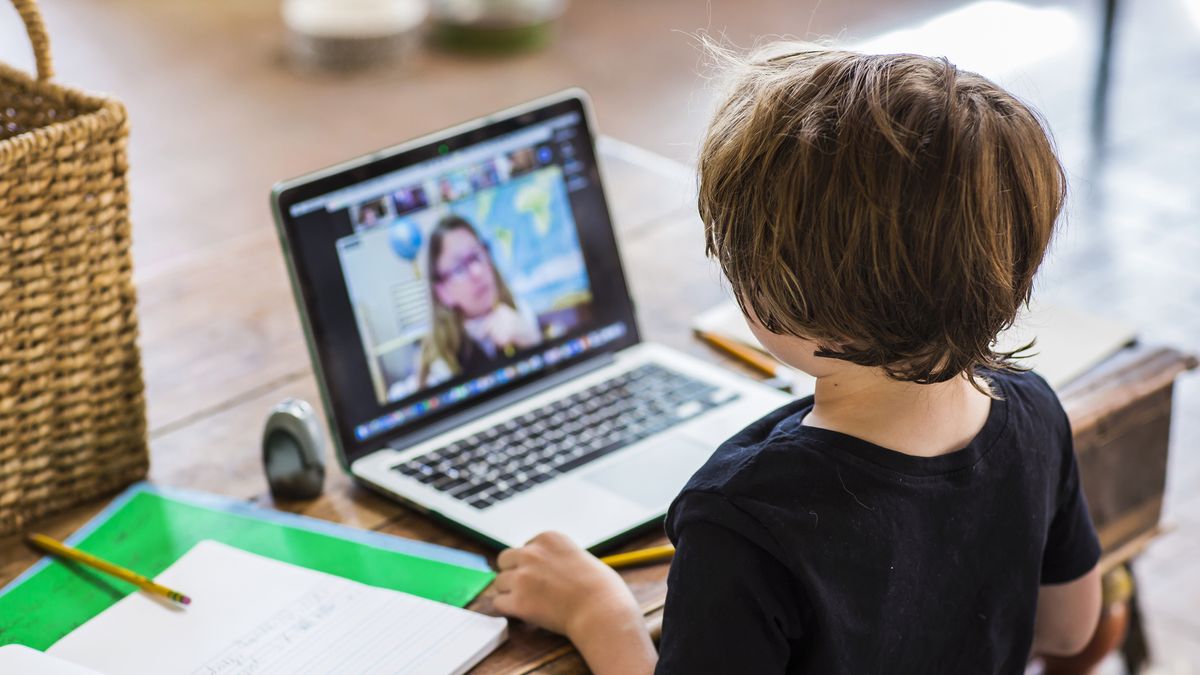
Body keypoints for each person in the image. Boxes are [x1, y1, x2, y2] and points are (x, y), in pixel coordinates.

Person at [489, 46, 1102, 674]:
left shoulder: (745, 517)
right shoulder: (1033, 410)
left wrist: (601, 614)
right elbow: (1069, 625)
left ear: (772, 296)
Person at [416, 215, 541, 389]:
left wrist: (534, 341)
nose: (477, 271)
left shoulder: (521, 312)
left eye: (476, 256)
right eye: (459, 268)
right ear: (443, 292)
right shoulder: (439, 366)